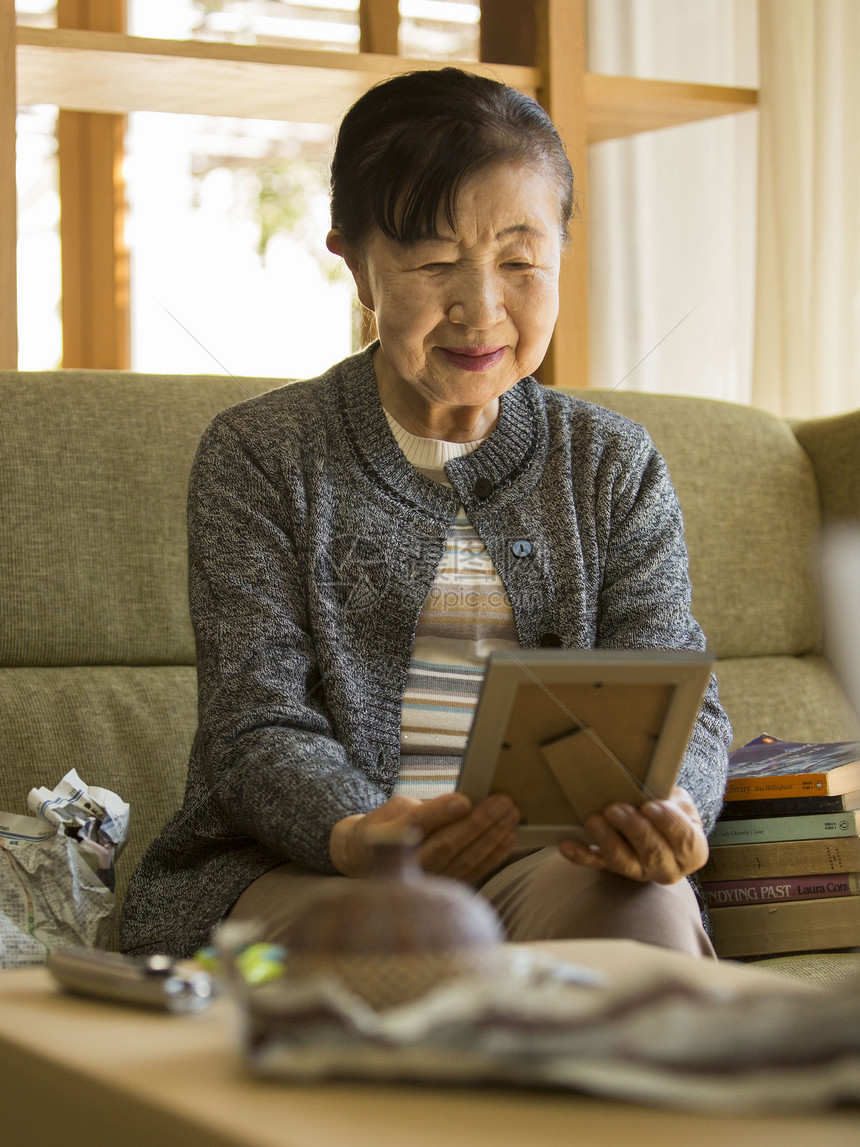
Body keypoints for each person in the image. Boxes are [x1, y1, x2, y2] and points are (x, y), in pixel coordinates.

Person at [119, 67, 731, 961]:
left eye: (521, 263)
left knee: (644, 914)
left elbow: (684, 697)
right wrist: (360, 828)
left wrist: (670, 804)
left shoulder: (611, 464)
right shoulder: (260, 454)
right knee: (424, 933)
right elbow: (255, 728)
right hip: (311, 868)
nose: (481, 309)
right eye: (436, 262)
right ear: (354, 260)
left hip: (545, 864)